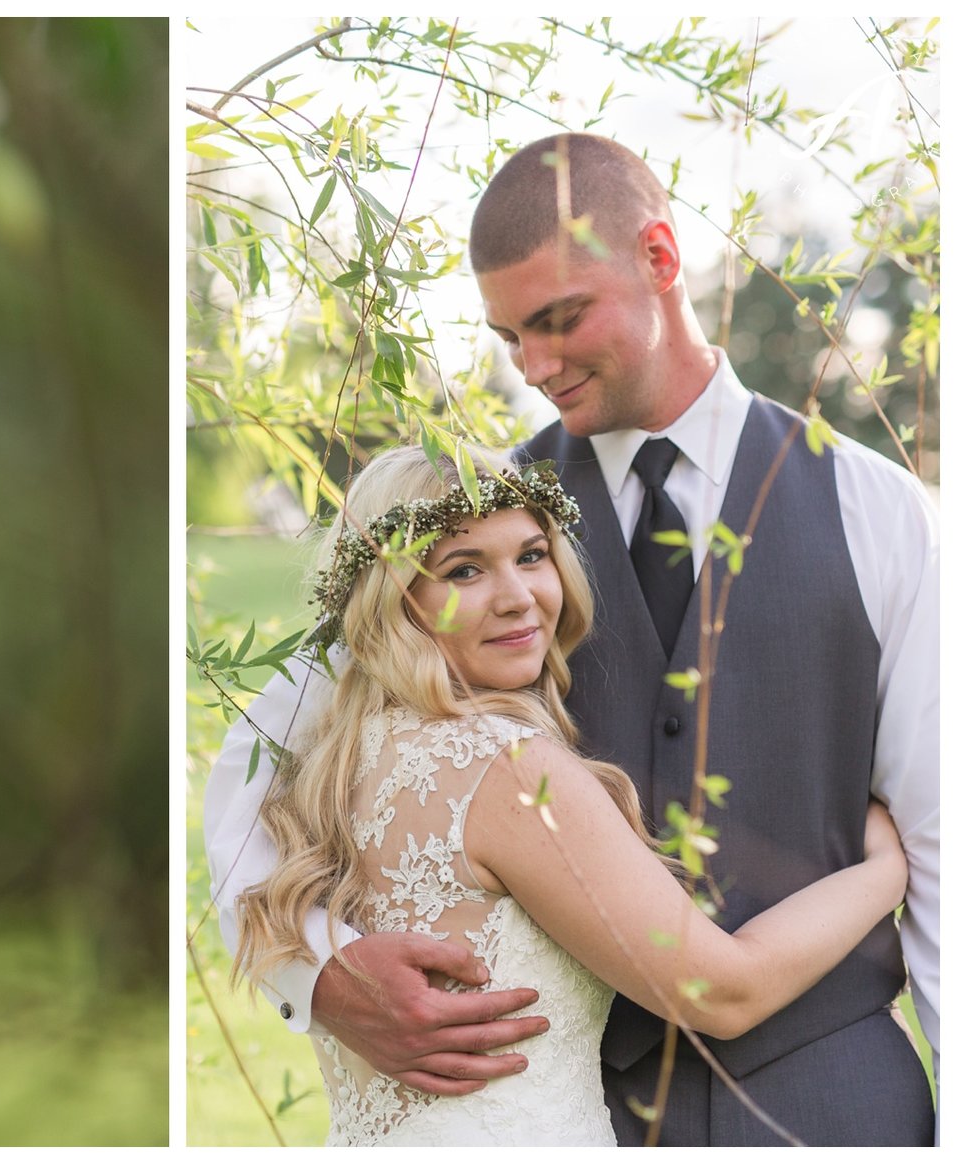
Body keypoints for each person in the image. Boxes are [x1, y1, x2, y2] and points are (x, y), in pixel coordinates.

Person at [203, 132, 939, 1145]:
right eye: (510, 339)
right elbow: (255, 771)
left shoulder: (877, 506)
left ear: (659, 259)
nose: (535, 368)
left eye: (559, 320)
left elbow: (938, 835)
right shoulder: (471, 519)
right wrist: (318, 975)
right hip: (563, 1101)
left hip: (834, 1102)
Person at [228, 444, 906, 1144]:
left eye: (531, 554)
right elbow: (718, 991)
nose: (519, 595)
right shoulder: (509, 773)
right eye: (464, 570)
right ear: (396, 599)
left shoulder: (329, 764)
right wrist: (885, 871)